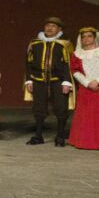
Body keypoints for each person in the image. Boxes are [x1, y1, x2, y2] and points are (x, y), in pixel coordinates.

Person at [25, 17, 74, 147]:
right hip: (38, 80)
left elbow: (69, 64)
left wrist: (67, 81)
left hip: (58, 81)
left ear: (59, 29)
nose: (49, 28)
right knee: (39, 108)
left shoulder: (64, 44)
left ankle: (60, 137)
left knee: (61, 108)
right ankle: (38, 135)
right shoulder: (35, 43)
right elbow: (28, 62)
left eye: (53, 26)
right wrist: (29, 79)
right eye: (47, 25)